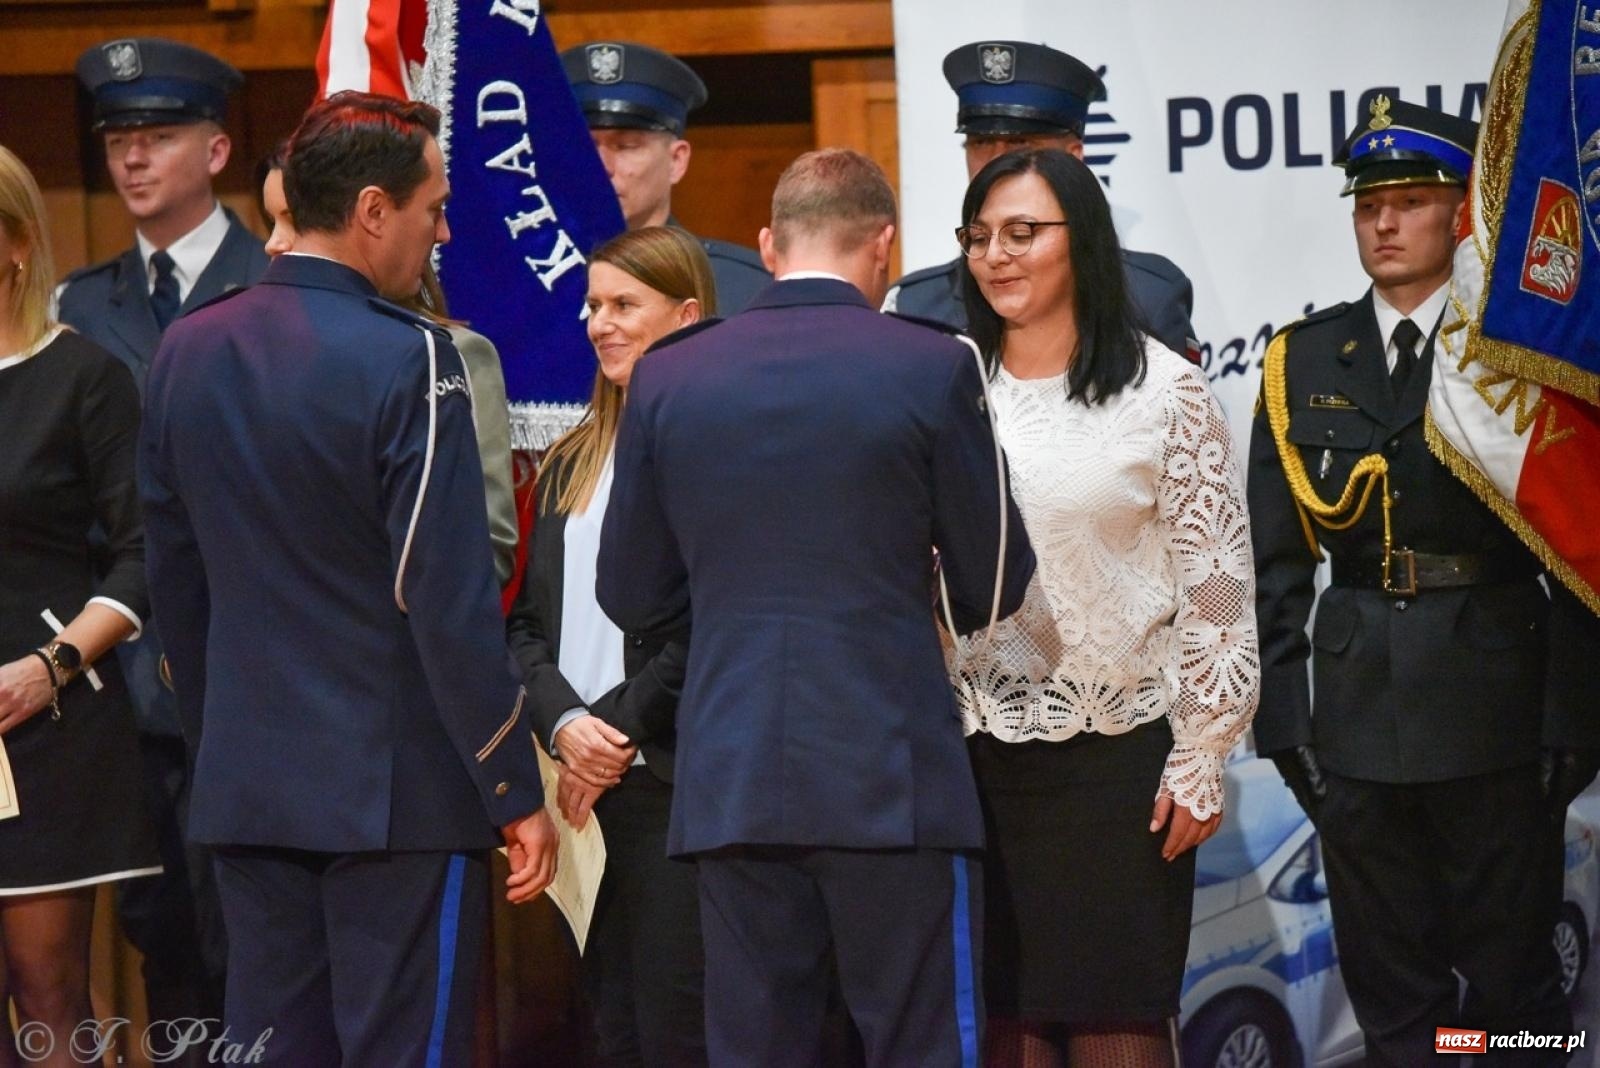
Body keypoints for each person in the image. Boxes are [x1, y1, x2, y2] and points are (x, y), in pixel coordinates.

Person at [139, 92, 558, 1066]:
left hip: (248, 786)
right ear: (374, 209)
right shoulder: (415, 358)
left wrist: (222, 741)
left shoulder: (184, 349)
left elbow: (176, 578)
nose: (444, 229)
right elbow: (445, 596)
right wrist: (508, 783)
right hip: (397, 797)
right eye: (434, 207)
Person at [597, 147, 1036, 1068]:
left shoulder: (672, 374)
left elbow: (628, 594)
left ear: (767, 245)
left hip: (730, 777)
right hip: (892, 778)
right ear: (884, 246)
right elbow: (994, 582)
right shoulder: (931, 364)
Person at [1249, 97, 1600, 1067]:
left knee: (1512, 997)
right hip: (1356, 727)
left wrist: (1574, 723)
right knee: (1392, 994)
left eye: (1409, 200)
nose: (1384, 222)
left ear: (1459, 214)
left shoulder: (1512, 356)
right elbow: (1276, 573)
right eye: (1367, 204)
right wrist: (1286, 728)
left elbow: (1574, 550)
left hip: (1498, 714)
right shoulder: (1303, 359)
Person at [945, 147, 1256, 1068]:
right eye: (979, 237)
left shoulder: (1165, 390)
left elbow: (1218, 585)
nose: (997, 254)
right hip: (974, 757)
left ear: (1082, 243)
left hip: (1121, 765)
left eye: (1023, 233)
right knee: (1009, 1032)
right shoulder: (945, 387)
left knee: (1117, 1027)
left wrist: (1202, 753)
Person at [56, 37, 268, 1026]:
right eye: (118, 139)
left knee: (261, 935)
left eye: (160, 135)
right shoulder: (79, 304)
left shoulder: (274, 279)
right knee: (162, 933)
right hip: (127, 676)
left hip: (256, 660)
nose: (134, 159)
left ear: (219, 151)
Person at [506, 225, 712, 1067]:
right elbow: (520, 626)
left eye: (625, 304)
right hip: (575, 790)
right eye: (593, 304)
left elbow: (710, 621)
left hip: (667, 779)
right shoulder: (565, 462)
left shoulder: (717, 452)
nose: (600, 322)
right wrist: (564, 727)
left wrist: (613, 732)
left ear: (687, 314)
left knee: (677, 1026)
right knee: (605, 1025)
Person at [0, 143, 161, 1068]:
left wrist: (51, 665)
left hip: (43, 724)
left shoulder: (85, 378)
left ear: (17, 243)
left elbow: (145, 556)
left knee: (48, 992)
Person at [258, 146, 519, 586]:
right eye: (271, 221)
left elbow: (488, 545)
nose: (274, 242)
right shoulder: (252, 351)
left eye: (291, 219)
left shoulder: (452, 353)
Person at [885, 41, 1196, 362]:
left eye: (1019, 142)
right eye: (981, 142)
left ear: (1073, 157)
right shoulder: (917, 307)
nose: (996, 160)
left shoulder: (1149, 296)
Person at [562, 40, 770, 313]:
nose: (603, 166)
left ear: (676, 160)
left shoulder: (740, 288)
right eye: (585, 147)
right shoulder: (525, 285)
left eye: (626, 146)